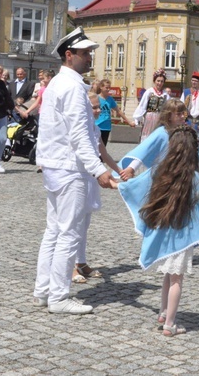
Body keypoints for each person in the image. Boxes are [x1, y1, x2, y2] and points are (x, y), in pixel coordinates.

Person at [114, 125, 199, 336]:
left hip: (164, 233)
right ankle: (170, 324)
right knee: (177, 279)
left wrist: (114, 184)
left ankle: (163, 313)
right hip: (182, 236)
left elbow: (135, 185)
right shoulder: (194, 178)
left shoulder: (159, 171)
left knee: (168, 276)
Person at [33, 26, 115, 315]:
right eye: (85, 53)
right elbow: (79, 135)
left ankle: (44, 290)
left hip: (56, 165)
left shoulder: (58, 83)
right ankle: (58, 296)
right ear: (69, 55)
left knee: (54, 230)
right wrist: (98, 171)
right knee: (68, 234)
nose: (90, 57)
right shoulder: (71, 86)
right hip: (69, 168)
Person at [70, 92, 123, 284]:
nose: (98, 110)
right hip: (79, 176)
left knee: (85, 222)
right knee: (74, 224)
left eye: (98, 106)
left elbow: (103, 152)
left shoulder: (95, 128)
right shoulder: (80, 127)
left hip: (91, 178)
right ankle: (70, 267)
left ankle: (81, 261)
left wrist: (119, 170)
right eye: (94, 107)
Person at [94, 79, 135, 146]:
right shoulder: (96, 98)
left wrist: (129, 121)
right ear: (101, 87)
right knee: (95, 147)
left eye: (109, 88)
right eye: (106, 87)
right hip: (97, 125)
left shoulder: (110, 99)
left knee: (103, 147)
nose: (108, 89)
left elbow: (118, 111)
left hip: (106, 127)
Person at [133, 69, 171, 141]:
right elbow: (142, 105)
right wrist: (137, 118)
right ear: (154, 81)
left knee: (158, 137)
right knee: (147, 137)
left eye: (161, 81)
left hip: (160, 119)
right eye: (158, 81)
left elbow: (169, 108)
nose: (159, 83)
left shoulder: (165, 94)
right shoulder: (149, 92)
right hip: (149, 118)